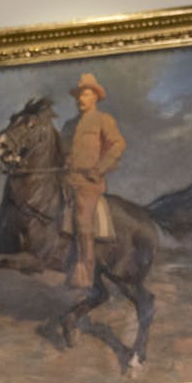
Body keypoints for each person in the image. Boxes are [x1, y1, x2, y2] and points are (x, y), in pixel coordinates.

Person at [60, 72, 126, 288]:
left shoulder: (103, 120)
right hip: (67, 179)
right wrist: (66, 160)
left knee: (81, 217)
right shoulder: (69, 125)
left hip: (89, 183)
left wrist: (100, 169)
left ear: (96, 97)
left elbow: (118, 145)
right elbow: (63, 151)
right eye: (79, 95)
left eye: (86, 94)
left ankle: (85, 272)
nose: (81, 99)